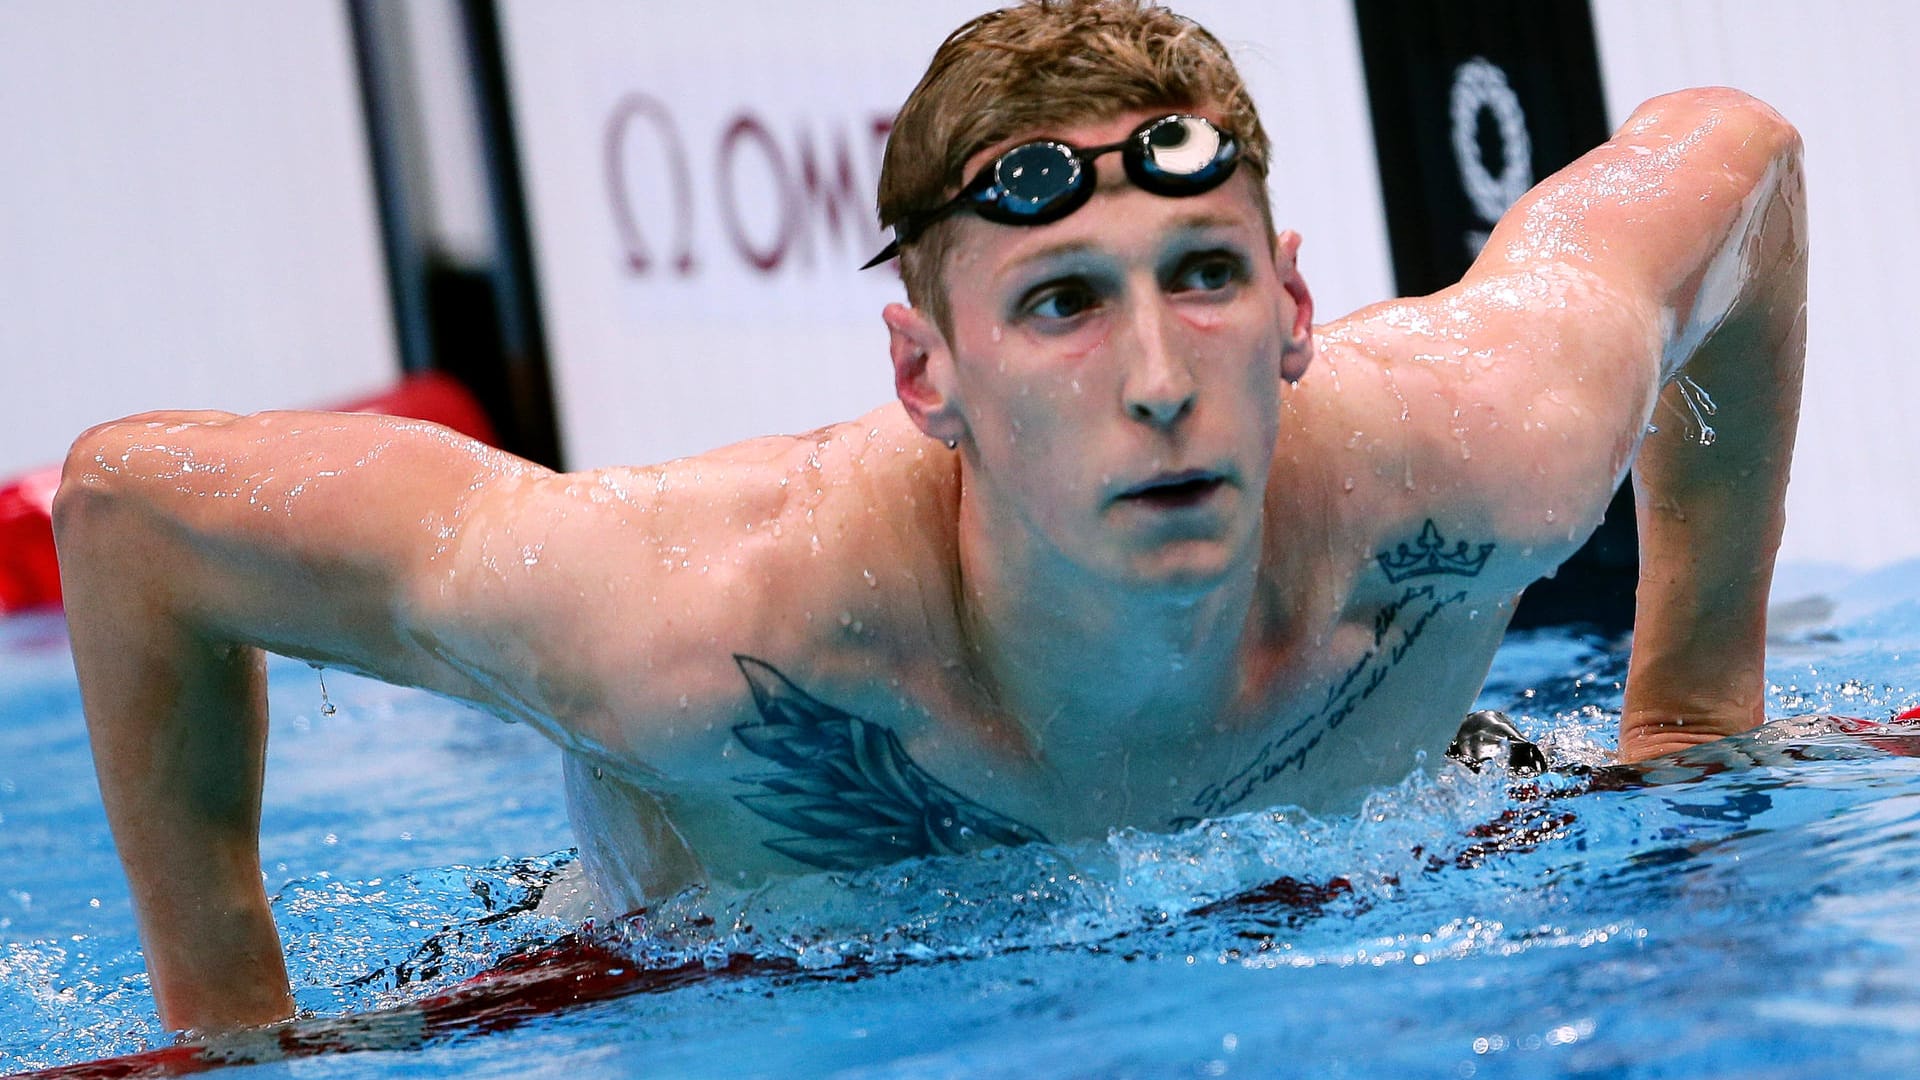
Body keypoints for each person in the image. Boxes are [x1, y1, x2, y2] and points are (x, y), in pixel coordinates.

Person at [53, 0, 1805, 1035]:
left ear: (1292, 307)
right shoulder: (688, 628)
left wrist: (1694, 716)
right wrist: (236, 1036)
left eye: (1201, 279)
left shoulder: (1478, 450)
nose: (1157, 376)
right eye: (1058, 306)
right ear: (926, 371)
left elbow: (1738, 152)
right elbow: (133, 508)